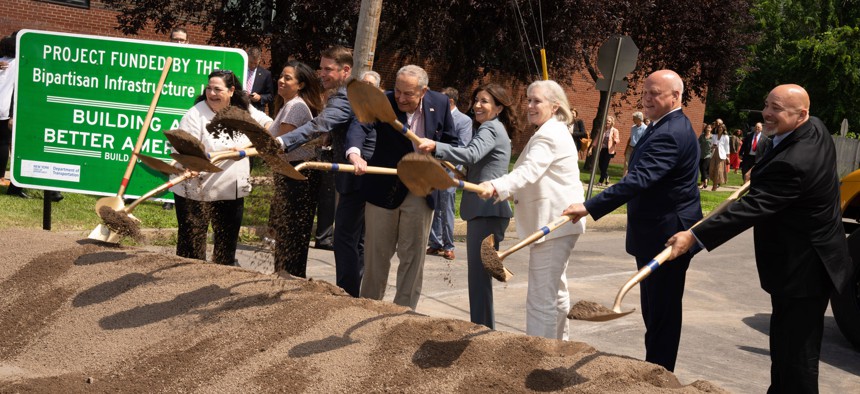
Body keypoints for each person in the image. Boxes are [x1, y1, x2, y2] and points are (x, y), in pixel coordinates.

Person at [665, 84, 856, 392]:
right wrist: (763, 172)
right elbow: (779, 162)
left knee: (797, 359)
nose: (767, 113)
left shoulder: (795, 162)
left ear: (801, 114)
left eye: (776, 109)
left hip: (806, 269)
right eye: (767, 105)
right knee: (784, 348)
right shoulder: (815, 128)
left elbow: (750, 209)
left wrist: (693, 236)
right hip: (801, 265)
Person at [563, 69, 702, 371]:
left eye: (656, 93)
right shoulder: (663, 125)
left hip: (667, 236)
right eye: (645, 92)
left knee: (661, 313)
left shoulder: (671, 132)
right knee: (654, 310)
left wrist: (589, 206)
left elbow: (638, 180)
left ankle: (659, 374)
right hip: (655, 231)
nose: (647, 98)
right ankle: (655, 368)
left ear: (676, 96)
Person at [477, 80, 584, 340]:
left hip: (553, 224)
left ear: (555, 106)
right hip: (561, 223)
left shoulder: (549, 134)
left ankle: (540, 354)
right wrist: (506, 189)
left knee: (540, 297)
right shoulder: (552, 131)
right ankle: (559, 348)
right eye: (529, 100)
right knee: (554, 291)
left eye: (537, 101)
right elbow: (536, 175)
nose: (530, 105)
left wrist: (496, 186)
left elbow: (529, 170)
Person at [272, 45, 375, 298]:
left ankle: (347, 295)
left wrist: (283, 142)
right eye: (321, 68)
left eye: (328, 69)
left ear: (346, 70)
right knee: (355, 240)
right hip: (360, 173)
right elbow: (338, 126)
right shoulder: (351, 93)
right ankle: (353, 292)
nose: (321, 74)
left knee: (345, 239)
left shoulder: (345, 95)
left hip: (359, 173)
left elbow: (321, 123)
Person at [359, 64, 458, 310]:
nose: (401, 98)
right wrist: (354, 153)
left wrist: (436, 148)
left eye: (408, 94)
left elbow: (451, 140)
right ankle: (368, 307)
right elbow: (360, 127)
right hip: (383, 188)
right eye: (398, 91)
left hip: (420, 189)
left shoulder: (441, 103)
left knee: (413, 256)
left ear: (423, 91)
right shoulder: (384, 101)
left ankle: (403, 313)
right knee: (376, 257)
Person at [418, 83, 516, 329]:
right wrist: (463, 174)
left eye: (484, 101)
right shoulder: (494, 128)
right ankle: (483, 327)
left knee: (479, 278)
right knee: (481, 276)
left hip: (487, 212)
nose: (478, 106)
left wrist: (437, 147)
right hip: (489, 211)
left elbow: (472, 154)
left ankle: (482, 329)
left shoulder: (490, 129)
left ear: (499, 107)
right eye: (476, 100)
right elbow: (478, 162)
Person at [169, 69, 273, 265]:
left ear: (232, 91)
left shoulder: (243, 109)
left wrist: (248, 145)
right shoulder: (195, 115)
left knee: (226, 245)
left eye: (217, 89)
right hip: (195, 189)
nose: (212, 94)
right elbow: (186, 149)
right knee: (191, 247)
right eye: (209, 88)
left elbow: (269, 125)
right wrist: (191, 164)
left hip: (230, 189)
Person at [266, 60, 326, 276]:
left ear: (300, 85)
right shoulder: (289, 105)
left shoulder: (295, 106)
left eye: (287, 78)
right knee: (288, 231)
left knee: (291, 232)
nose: (281, 81)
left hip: (297, 174)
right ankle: (285, 276)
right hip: (291, 172)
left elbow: (281, 146)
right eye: (281, 76)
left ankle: (289, 278)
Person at [426, 86, 473, 261]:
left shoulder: (464, 120)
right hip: (433, 168)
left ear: (450, 101)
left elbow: (463, 147)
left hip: (449, 170)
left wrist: (448, 164)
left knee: (446, 207)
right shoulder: (437, 117)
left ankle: (448, 245)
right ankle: (436, 242)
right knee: (434, 205)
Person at [245, 47, 274, 113]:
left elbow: (270, 96)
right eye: (250, 62)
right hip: (240, 108)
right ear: (247, 58)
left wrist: (260, 97)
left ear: (259, 60)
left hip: (256, 110)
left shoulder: (266, 74)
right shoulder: (240, 70)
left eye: (255, 63)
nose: (252, 65)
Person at [597, 115, 620, 186]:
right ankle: (607, 176)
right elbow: (597, 138)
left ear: (612, 122)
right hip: (603, 149)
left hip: (609, 150)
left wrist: (615, 140)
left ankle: (600, 181)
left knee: (604, 166)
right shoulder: (603, 129)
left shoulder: (614, 130)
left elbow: (617, 139)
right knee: (600, 164)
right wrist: (592, 146)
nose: (607, 122)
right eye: (606, 120)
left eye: (609, 121)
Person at [623, 111, 647, 177]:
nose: (633, 120)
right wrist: (626, 149)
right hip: (630, 147)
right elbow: (630, 138)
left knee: (634, 165)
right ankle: (623, 180)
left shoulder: (645, 128)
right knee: (626, 164)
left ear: (639, 119)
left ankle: (631, 179)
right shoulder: (633, 127)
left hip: (638, 149)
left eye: (634, 118)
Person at [708, 120, 729, 191]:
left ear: (723, 129)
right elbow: (710, 145)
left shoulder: (726, 137)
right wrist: (712, 147)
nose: (720, 129)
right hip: (714, 154)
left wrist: (727, 157)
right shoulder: (714, 136)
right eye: (719, 127)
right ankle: (715, 183)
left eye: (721, 128)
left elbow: (727, 147)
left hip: (721, 155)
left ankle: (715, 185)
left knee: (718, 170)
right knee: (711, 169)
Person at [697, 124, 713, 189]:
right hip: (701, 154)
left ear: (711, 129)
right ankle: (705, 179)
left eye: (709, 127)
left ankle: (704, 182)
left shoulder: (713, 137)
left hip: (708, 155)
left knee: (704, 168)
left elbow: (715, 144)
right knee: (701, 168)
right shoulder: (702, 136)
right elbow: (697, 143)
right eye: (707, 127)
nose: (708, 128)